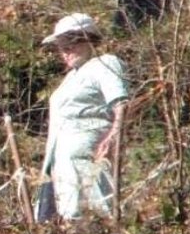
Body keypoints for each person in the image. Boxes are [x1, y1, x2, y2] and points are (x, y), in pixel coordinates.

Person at [37, 12, 129, 221]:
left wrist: (113, 136)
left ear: (89, 40)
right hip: (61, 160)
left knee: (97, 212)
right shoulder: (70, 77)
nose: (65, 51)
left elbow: (121, 103)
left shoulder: (105, 64)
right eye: (61, 46)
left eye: (71, 44)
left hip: (88, 156)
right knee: (68, 215)